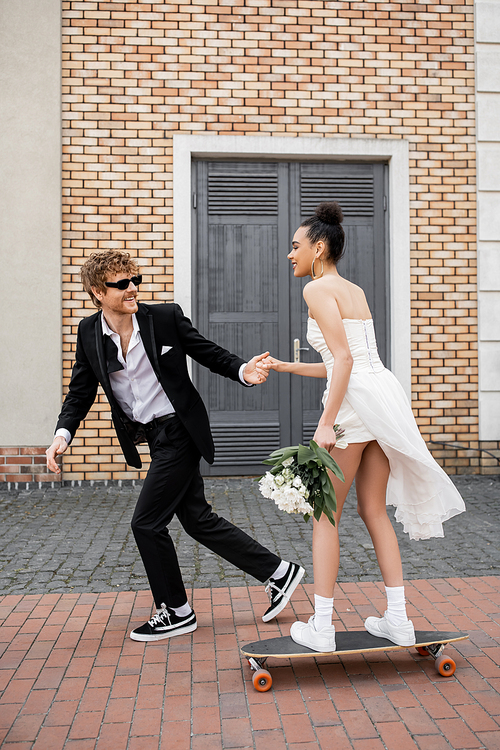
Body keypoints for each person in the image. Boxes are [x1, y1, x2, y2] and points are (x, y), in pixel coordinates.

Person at [46, 250, 304, 642]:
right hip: (152, 437)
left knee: (146, 523)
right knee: (197, 519)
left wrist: (242, 371)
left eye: (135, 280)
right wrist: (62, 435)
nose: (132, 289)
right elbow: (80, 391)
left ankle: (177, 610)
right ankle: (279, 573)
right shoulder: (88, 332)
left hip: (180, 432)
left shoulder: (163, 318)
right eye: (121, 284)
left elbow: (206, 351)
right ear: (98, 292)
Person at [262, 202, 465, 652]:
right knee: (372, 510)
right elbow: (344, 361)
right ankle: (398, 621)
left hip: (354, 405)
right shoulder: (352, 289)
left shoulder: (316, 291)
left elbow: (345, 362)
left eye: (295, 247)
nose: (290, 255)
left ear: (318, 248)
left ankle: (322, 627)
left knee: (324, 514)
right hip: (383, 397)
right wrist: (285, 366)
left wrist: (326, 423)